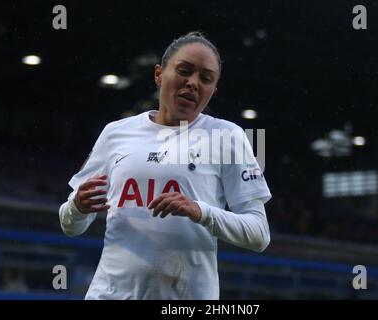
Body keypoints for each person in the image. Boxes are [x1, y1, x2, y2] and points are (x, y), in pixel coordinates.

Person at [59, 31, 272, 300]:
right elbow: (71, 225)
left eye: (206, 78)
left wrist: (200, 211)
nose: (193, 83)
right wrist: (77, 208)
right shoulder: (116, 133)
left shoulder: (228, 136)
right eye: (184, 70)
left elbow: (259, 235)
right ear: (159, 74)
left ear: (213, 91)